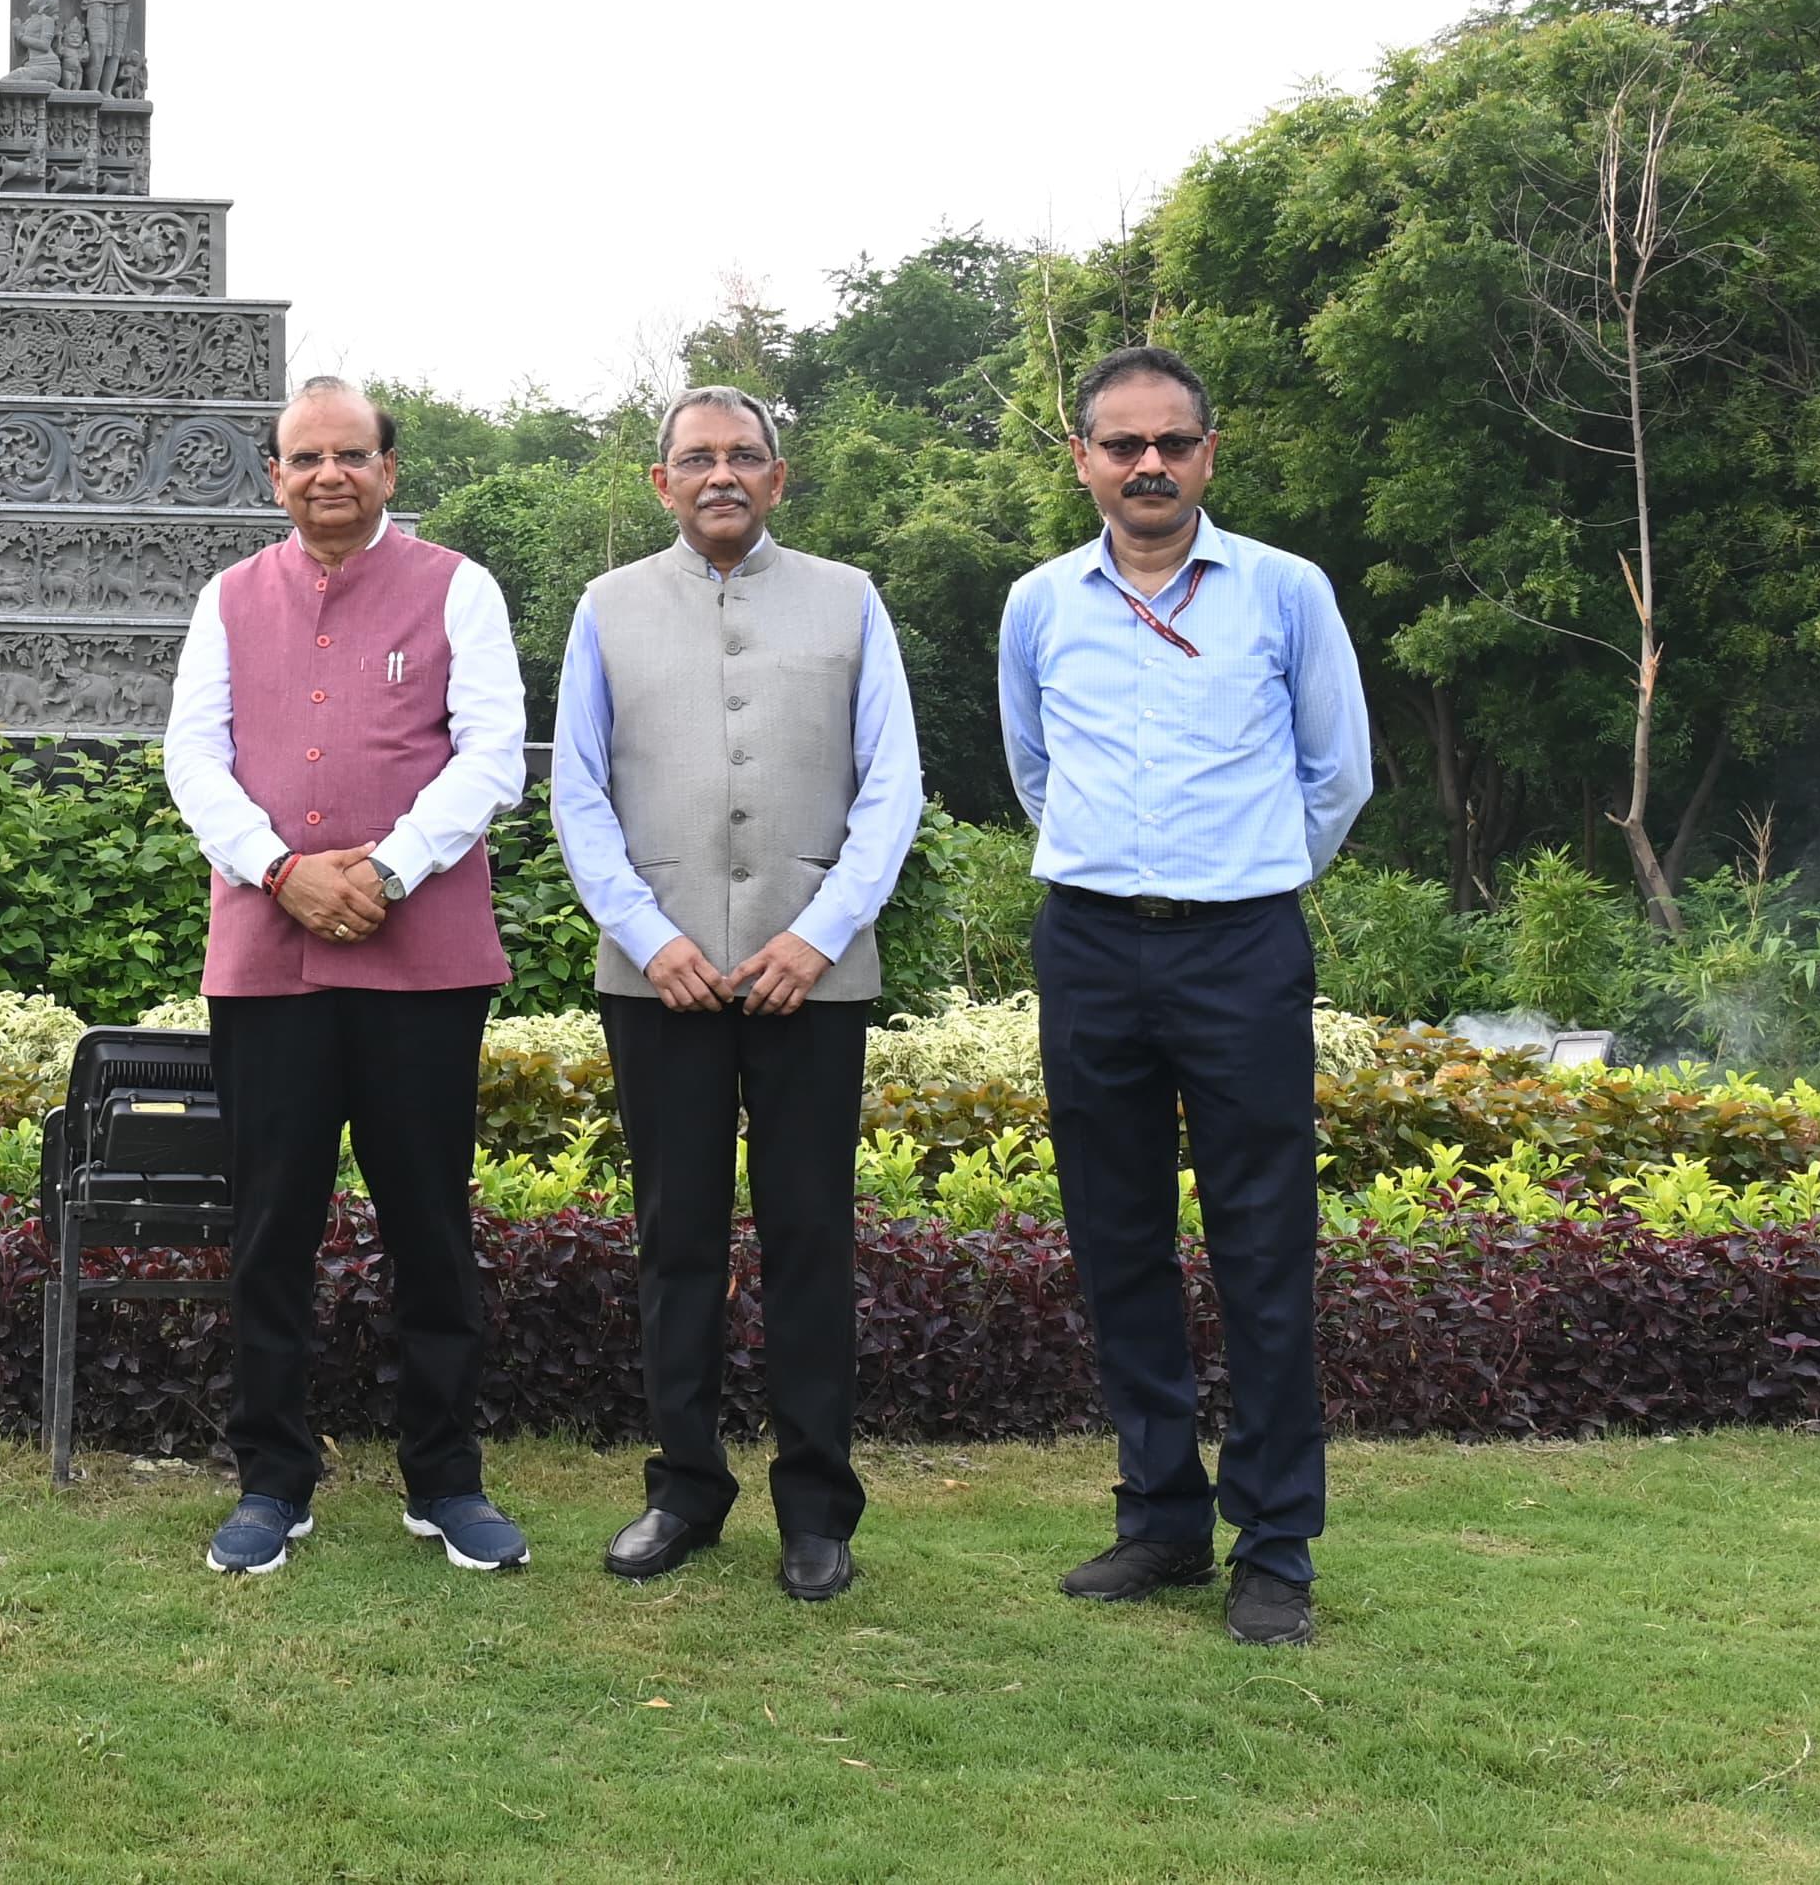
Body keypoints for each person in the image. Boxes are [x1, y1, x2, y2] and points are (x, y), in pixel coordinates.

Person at [1001, 344, 1373, 1649]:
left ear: (1210, 453)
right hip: (1093, 948)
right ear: (1086, 460)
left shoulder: (1285, 592)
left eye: (1172, 443)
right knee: (1117, 1243)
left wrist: (1244, 877)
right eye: (1122, 444)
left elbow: (1339, 774)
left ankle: (1275, 1547)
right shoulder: (1039, 604)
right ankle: (1162, 1517)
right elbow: (1033, 768)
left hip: (1241, 951)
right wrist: (1125, 878)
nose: (1147, 465)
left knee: (1264, 1250)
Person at [551, 387, 924, 1603]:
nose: (720, 474)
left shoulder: (850, 599)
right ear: (659, 481)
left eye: (742, 456)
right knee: (676, 1243)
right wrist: (646, 934)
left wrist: (815, 937)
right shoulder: (605, 608)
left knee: (810, 1239)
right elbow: (575, 791)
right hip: (656, 976)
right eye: (695, 458)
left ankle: (816, 1509)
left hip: (809, 977)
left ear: (779, 475)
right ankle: (682, 1489)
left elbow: (891, 789)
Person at [162, 376, 531, 1579]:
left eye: (351, 455)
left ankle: (445, 1480)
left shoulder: (456, 588)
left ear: (387, 466)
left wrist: (387, 866)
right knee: (270, 1230)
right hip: (266, 961)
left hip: (420, 961)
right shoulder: (227, 599)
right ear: (272, 474)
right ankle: (271, 1480)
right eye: (303, 457)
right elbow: (190, 758)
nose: (328, 474)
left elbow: (491, 752)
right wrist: (280, 871)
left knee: (428, 1227)